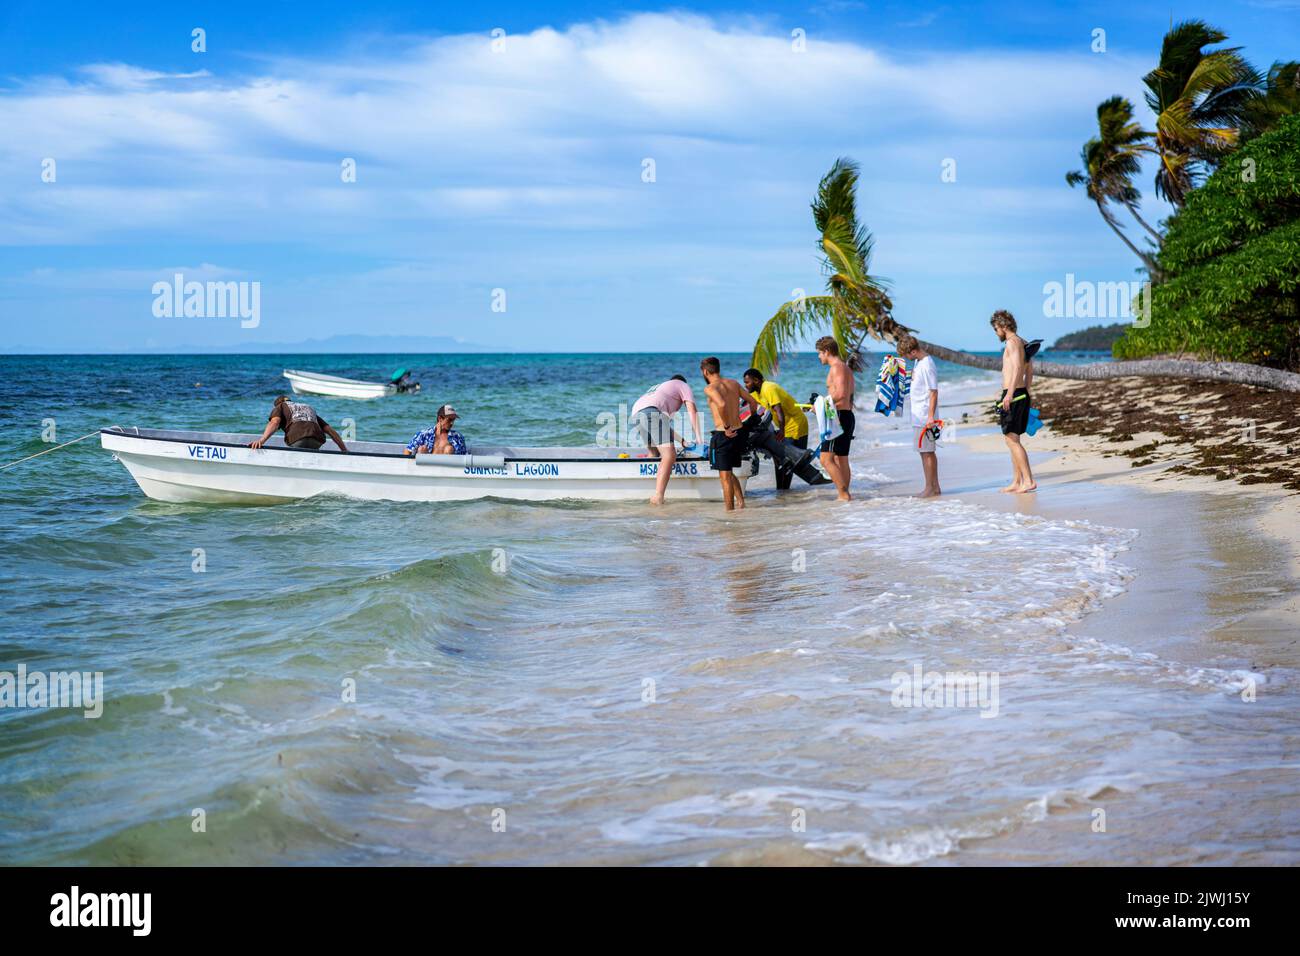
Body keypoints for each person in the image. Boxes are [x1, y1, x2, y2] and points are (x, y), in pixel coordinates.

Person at [630, 374, 703, 505]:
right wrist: (699, 439)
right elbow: (692, 411)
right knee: (669, 455)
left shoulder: (660, 390)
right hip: (651, 413)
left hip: (636, 413)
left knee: (654, 454)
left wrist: (682, 441)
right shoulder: (683, 385)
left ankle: (643, 488)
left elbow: (662, 427)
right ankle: (658, 496)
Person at [742, 368, 815, 490]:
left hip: (796, 425)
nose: (746, 385)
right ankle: (781, 491)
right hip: (784, 426)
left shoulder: (768, 388)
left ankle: (789, 490)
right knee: (781, 461)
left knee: (792, 461)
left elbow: (778, 410)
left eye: (747, 382)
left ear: (756, 380)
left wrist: (781, 431)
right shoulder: (755, 393)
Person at [701, 357, 758, 511]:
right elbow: (753, 402)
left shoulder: (710, 388)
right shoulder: (733, 383)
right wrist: (750, 420)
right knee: (728, 471)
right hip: (739, 433)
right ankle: (741, 503)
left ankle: (729, 514)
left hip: (724, 434)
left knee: (724, 477)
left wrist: (726, 426)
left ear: (705, 371)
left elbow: (721, 404)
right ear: (718, 369)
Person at [990, 310, 1036, 493]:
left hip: (1014, 394)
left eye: (996, 329)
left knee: (1011, 440)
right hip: (1020, 393)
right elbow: (1029, 369)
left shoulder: (1012, 342)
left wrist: (1009, 394)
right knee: (1013, 438)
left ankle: (1028, 481)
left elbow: (1018, 367)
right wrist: (1027, 391)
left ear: (1003, 326)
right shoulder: (1023, 342)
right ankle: (1017, 481)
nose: (996, 333)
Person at [897, 334, 941, 498]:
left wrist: (930, 417)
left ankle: (930, 488)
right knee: (924, 452)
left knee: (928, 452)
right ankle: (934, 487)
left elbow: (933, 392)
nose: (906, 358)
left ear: (913, 351)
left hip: (925, 416)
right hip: (919, 416)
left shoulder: (927, 365)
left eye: (906, 355)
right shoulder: (918, 362)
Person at [815, 335, 855, 501]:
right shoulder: (846, 367)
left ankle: (843, 494)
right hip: (846, 415)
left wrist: (820, 405)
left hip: (837, 417)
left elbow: (841, 394)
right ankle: (845, 494)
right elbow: (850, 396)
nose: (819, 357)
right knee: (841, 458)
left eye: (819, 353)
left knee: (826, 459)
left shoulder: (837, 368)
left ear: (827, 351)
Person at [250, 395, 348, 452]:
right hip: (317, 441)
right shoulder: (308, 408)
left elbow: (275, 422)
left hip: (297, 439)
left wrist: (261, 441)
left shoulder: (280, 406)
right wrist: (344, 450)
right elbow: (330, 431)